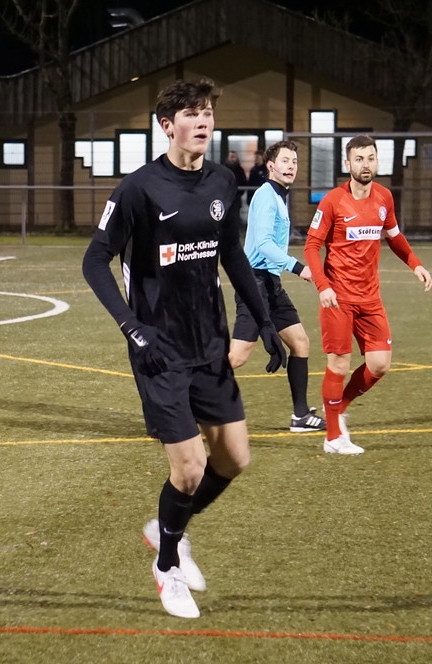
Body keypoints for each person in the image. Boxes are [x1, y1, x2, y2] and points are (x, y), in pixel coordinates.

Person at [82, 78, 287, 619]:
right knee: (191, 466)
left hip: (210, 345)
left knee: (234, 459)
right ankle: (167, 566)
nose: (203, 122)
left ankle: (166, 529)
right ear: (167, 126)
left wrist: (263, 322)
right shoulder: (138, 189)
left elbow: (232, 255)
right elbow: (94, 260)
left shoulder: (222, 181)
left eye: (208, 113)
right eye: (192, 114)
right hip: (159, 350)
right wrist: (132, 328)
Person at [303, 134, 432, 455]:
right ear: (347, 163)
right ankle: (333, 438)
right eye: (359, 159)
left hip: (370, 298)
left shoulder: (384, 197)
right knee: (339, 363)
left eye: (370, 158)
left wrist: (415, 263)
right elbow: (311, 247)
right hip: (338, 298)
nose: (365, 165)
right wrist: (323, 286)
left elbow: (394, 236)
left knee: (379, 365)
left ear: (377, 161)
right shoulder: (332, 201)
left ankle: (339, 408)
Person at [229, 140, 322, 433]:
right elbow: (264, 244)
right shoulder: (266, 196)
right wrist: (298, 267)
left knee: (300, 343)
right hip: (254, 283)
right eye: (285, 161)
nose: (291, 166)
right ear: (270, 166)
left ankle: (300, 416)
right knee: (237, 356)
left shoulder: (279, 197)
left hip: (271, 283)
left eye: (294, 161)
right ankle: (183, 400)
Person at [223, 150, 247, 231]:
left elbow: (243, 183)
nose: (232, 159)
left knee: (234, 219)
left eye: (234, 157)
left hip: (236, 199)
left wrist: (237, 194)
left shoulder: (240, 170)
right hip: (225, 199)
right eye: (231, 157)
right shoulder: (223, 170)